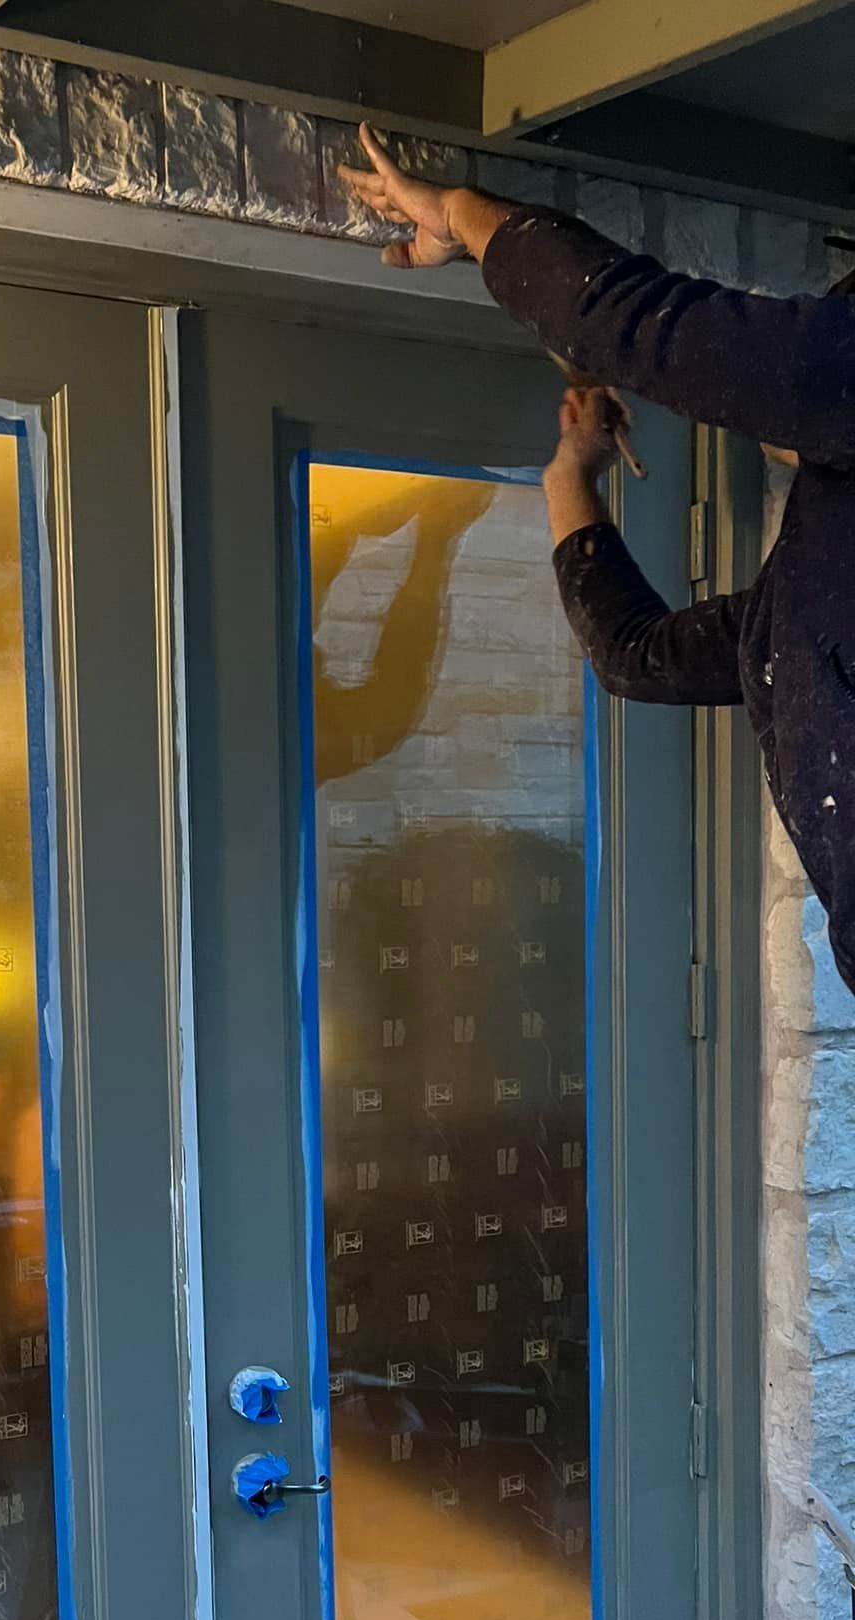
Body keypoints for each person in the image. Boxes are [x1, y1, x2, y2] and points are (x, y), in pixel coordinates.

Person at [340, 125, 855, 996]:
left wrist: (465, 217)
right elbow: (664, 338)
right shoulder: (807, 613)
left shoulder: (806, 621)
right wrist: (572, 473)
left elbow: (634, 654)